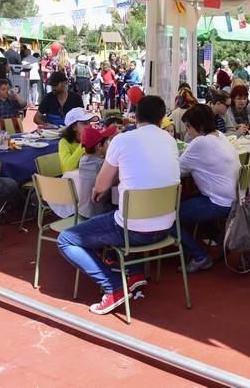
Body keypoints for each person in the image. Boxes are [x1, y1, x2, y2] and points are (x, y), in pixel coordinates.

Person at [56, 96, 179, 315]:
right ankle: (134, 272)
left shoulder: (122, 140)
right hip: (168, 226)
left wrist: (104, 185)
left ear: (136, 115)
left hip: (133, 230)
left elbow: (101, 185)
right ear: (162, 119)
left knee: (66, 239)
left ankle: (113, 285)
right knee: (117, 214)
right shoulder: (170, 141)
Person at [177, 104, 240, 272]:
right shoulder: (220, 136)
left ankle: (199, 256)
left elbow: (177, 171)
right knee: (193, 203)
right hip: (234, 199)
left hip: (219, 202)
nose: (187, 131)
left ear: (200, 126)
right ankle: (220, 239)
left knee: (171, 218)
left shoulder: (200, 143)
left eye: (189, 127)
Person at [77, 125, 117, 219]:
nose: (109, 144)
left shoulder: (83, 160)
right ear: (99, 146)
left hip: (83, 212)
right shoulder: (101, 165)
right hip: (98, 215)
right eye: (107, 141)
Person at [59, 107, 99, 173]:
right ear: (74, 127)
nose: (89, 126)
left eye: (89, 122)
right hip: (72, 181)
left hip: (91, 177)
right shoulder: (64, 142)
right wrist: (83, 145)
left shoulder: (93, 140)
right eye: (85, 123)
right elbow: (68, 168)